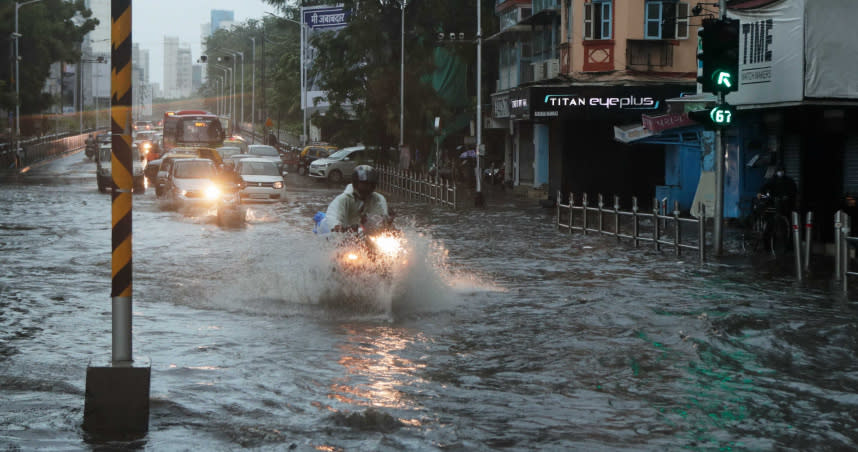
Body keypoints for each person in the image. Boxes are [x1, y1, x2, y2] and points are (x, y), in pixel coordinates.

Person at [325, 165, 392, 232]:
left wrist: (386, 222)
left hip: (367, 233)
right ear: (355, 183)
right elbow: (333, 215)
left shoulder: (378, 199)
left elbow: (382, 216)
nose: (367, 188)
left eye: (371, 184)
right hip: (346, 233)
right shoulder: (343, 199)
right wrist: (337, 226)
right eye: (364, 184)